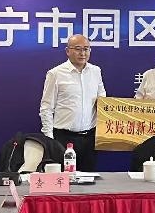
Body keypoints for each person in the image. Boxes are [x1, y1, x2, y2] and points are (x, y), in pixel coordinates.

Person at [39, 34, 106, 171]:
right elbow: (46, 108)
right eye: (78, 49)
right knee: (65, 179)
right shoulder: (55, 74)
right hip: (63, 138)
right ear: (67, 51)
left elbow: (102, 100)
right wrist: (50, 140)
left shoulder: (96, 71)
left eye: (86, 49)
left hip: (89, 138)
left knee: (88, 179)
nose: (83, 53)